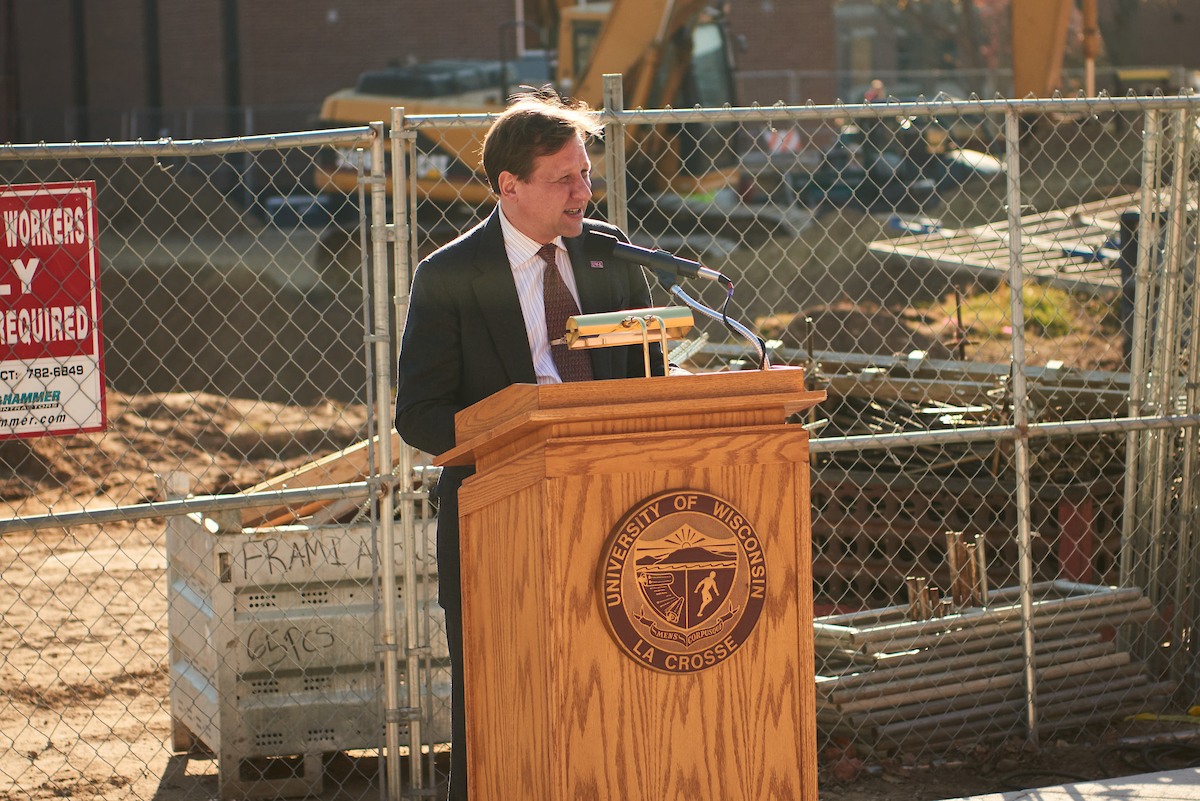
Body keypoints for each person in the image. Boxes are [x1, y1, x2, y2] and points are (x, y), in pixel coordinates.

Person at [393, 87, 665, 801]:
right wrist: (515, 431)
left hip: (618, 516)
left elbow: (649, 381)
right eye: (565, 179)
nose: (585, 191)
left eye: (586, 173)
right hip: (501, 525)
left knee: (613, 706)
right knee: (500, 717)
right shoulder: (450, 276)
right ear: (509, 187)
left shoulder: (608, 257)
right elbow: (419, 414)